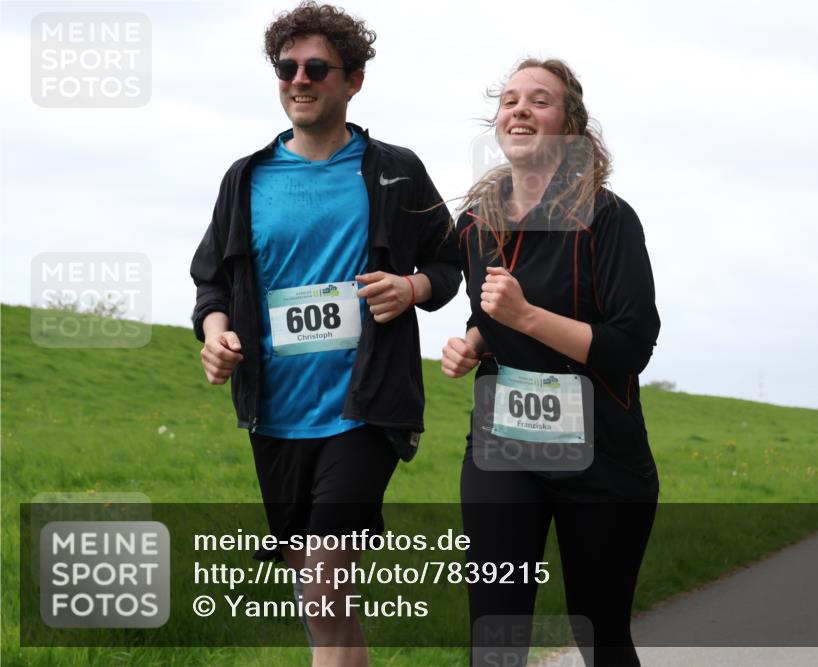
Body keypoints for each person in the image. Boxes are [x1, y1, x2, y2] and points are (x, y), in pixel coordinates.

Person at [190, 3, 460, 663]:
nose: (299, 79)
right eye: (287, 67)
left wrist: (413, 287)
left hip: (364, 408)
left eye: (316, 68)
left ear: (353, 80)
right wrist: (217, 332)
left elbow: (451, 262)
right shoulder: (246, 178)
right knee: (322, 601)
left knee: (321, 584)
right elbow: (212, 283)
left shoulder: (394, 172)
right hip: (275, 412)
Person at [441, 58, 660, 667]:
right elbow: (487, 313)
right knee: (496, 636)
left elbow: (630, 346)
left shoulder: (609, 218)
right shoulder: (476, 224)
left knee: (600, 633)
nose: (520, 109)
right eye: (509, 99)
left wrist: (526, 317)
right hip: (504, 445)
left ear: (571, 126)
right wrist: (475, 342)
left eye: (540, 100)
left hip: (602, 454)